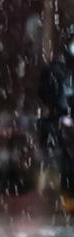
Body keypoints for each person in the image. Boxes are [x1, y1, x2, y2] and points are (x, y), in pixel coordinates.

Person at [38, 32, 74, 208]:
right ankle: (68, 201)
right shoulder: (57, 70)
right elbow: (45, 94)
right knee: (66, 166)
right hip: (61, 124)